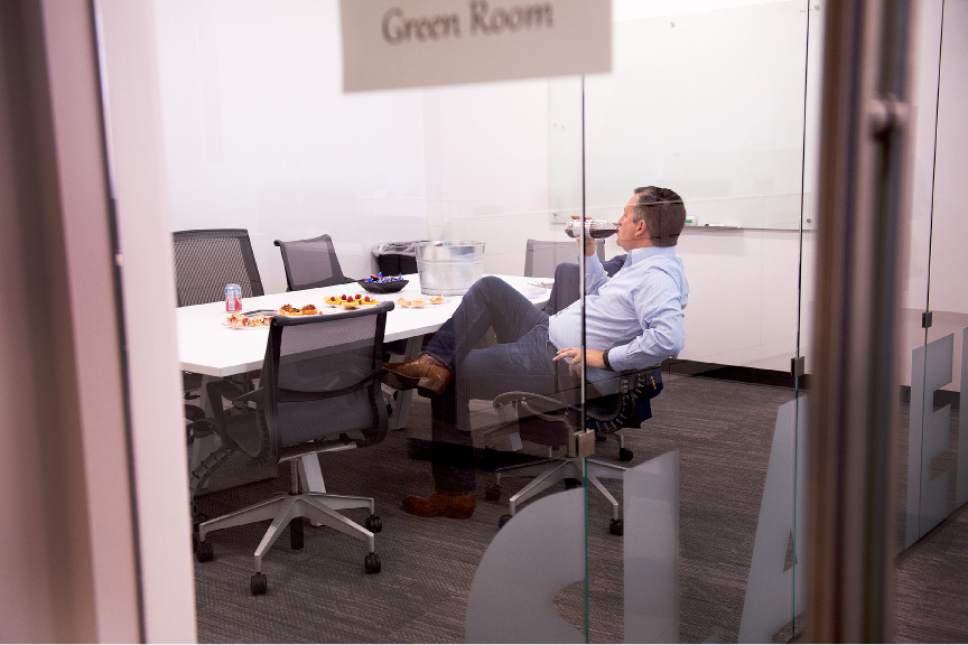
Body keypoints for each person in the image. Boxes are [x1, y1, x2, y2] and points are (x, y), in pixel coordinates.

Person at [384, 186, 690, 518]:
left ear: (641, 226)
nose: (618, 221)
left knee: (450, 377)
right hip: (546, 332)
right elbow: (603, 296)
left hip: (554, 360)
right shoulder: (642, 264)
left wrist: (603, 358)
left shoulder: (656, 277)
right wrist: (588, 253)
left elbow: (668, 339)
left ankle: (454, 493)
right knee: (490, 287)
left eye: (625, 215)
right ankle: (433, 360)